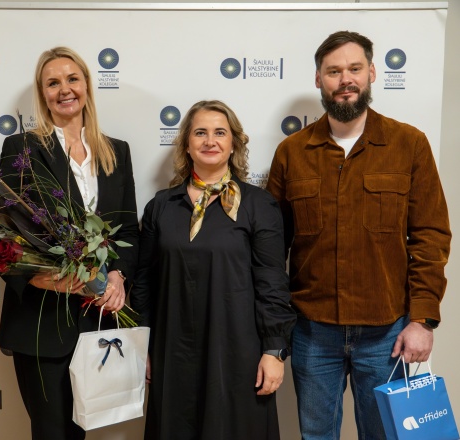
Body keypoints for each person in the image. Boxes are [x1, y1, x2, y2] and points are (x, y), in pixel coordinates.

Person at [266, 31, 451, 439]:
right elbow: (271, 249)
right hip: (312, 331)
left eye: (354, 68)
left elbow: (431, 236)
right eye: (334, 71)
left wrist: (422, 320)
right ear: (319, 79)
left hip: (388, 332)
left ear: (371, 73)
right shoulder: (291, 152)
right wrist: (273, 328)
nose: (345, 79)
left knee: (386, 435)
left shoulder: (409, 144)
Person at [0, 47, 139, 440]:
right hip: (41, 322)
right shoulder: (22, 149)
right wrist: (35, 278)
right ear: (43, 93)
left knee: (83, 433)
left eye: (72, 79)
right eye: (53, 83)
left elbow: (128, 232)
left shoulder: (116, 152)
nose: (64, 89)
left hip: (98, 321)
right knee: (52, 433)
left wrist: (118, 276)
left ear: (87, 85)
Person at [131, 100, 296, 439]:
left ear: (233, 143)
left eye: (220, 133)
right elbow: (144, 282)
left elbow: (272, 282)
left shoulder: (258, 205)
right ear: (186, 144)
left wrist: (274, 350)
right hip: (173, 351)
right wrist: (141, 345)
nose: (210, 141)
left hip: (238, 353)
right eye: (200, 133)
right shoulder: (161, 206)